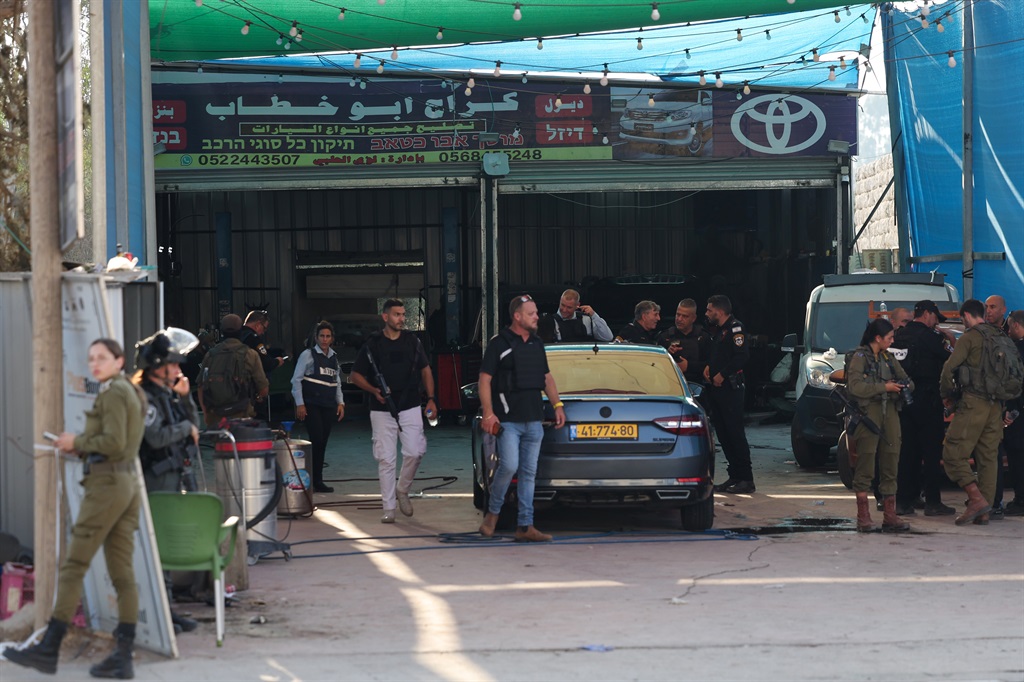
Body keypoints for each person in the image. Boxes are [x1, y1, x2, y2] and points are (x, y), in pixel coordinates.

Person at [6, 339, 146, 678]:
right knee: (122, 572)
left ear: (119, 360)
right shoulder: (129, 391)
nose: (94, 364)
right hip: (126, 484)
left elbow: (112, 442)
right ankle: (122, 657)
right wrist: (81, 448)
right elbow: (121, 442)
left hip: (107, 486)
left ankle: (49, 648)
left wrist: (76, 442)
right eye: (91, 358)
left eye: (102, 358)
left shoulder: (113, 392)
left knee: (74, 566)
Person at [478, 294, 566, 542]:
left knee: (529, 473)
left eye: (536, 312)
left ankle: (525, 525)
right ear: (517, 317)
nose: (537, 317)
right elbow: (485, 379)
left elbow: (546, 378)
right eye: (531, 313)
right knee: (509, 466)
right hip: (507, 421)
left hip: (534, 420)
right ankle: (493, 514)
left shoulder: (537, 343)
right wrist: (488, 412)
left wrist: (557, 405)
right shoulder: (499, 344)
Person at [132, 329, 202, 634]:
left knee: (165, 543)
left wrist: (186, 401)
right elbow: (156, 436)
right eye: (173, 365)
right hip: (155, 481)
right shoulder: (145, 397)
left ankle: (167, 608)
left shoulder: (167, 394)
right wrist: (185, 426)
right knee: (155, 545)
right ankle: (156, 610)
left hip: (172, 478)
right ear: (158, 367)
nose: (178, 370)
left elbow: (194, 428)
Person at [350, 300, 436, 523]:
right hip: (381, 408)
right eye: (397, 314)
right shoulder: (372, 344)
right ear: (385, 317)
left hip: (410, 404)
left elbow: (426, 370)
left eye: (403, 314)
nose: (402, 318)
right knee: (386, 459)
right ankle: (389, 508)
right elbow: (355, 375)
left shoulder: (412, 342)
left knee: (415, 451)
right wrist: (374, 390)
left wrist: (432, 399)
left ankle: (402, 489)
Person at [940, 299, 1008, 526]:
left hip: (973, 403)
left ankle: (976, 499)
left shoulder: (969, 337)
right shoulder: (1001, 336)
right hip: (996, 405)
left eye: (962, 319)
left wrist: (946, 393)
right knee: (988, 458)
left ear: (967, 315)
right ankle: (984, 511)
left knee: (952, 452)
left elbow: (949, 368)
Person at [845, 317, 913, 532]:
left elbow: (907, 379)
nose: (893, 341)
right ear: (877, 337)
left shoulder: (887, 358)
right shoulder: (859, 358)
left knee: (891, 463)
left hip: (890, 414)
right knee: (865, 465)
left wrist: (905, 386)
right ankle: (863, 517)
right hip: (869, 416)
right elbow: (855, 387)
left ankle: (890, 516)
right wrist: (884, 387)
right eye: (890, 337)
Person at [890, 300, 957, 516]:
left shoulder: (899, 335)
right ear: (927, 314)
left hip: (903, 399)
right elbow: (951, 361)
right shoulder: (930, 337)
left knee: (907, 451)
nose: (936, 322)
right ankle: (933, 502)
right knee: (930, 452)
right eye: (935, 317)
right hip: (927, 401)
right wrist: (951, 339)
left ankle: (903, 501)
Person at [703, 295, 755, 495]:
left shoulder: (735, 329)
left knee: (735, 433)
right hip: (718, 388)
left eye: (709, 310)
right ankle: (735, 475)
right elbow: (720, 355)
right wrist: (710, 367)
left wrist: (722, 374)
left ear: (720, 311)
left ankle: (746, 479)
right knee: (724, 434)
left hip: (731, 389)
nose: (707, 314)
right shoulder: (720, 331)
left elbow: (742, 356)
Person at [290, 320, 345, 493]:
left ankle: (317, 481)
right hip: (311, 405)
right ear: (316, 337)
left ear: (332, 338)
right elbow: (296, 380)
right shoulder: (308, 355)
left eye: (328, 336)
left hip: (328, 405)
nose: (324, 339)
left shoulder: (334, 358)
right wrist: (300, 404)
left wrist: (341, 403)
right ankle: (311, 480)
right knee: (316, 440)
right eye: (321, 336)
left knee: (323, 442)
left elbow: (336, 382)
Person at [197, 313, 269, 425]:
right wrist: (257, 397)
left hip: (216, 419)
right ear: (241, 330)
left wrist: (206, 414)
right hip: (243, 417)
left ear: (222, 331)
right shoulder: (250, 354)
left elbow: (201, 387)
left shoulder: (210, 355)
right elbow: (263, 389)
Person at [657, 298, 712, 388]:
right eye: (678, 315)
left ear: (693, 318)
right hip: (669, 385)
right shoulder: (665, 337)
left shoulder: (703, 338)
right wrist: (668, 354)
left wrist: (689, 366)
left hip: (697, 385)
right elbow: (656, 365)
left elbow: (711, 364)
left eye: (684, 316)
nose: (679, 319)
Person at [1000, 310, 1024, 516]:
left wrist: (1010, 410)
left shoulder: (1016, 351)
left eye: (1009, 326)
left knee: (1017, 456)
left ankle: (1021, 500)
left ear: (1016, 325)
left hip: (1019, 412)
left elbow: (1013, 384)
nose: (1008, 331)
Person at [538, 289, 613, 343]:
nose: (564, 310)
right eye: (562, 305)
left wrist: (594, 315)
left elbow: (608, 337)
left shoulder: (586, 320)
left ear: (577, 305)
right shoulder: (550, 321)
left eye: (569, 307)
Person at [240, 310, 285, 379]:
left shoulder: (236, 335)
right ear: (258, 325)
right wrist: (277, 362)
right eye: (264, 328)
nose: (263, 332)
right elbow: (265, 363)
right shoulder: (253, 339)